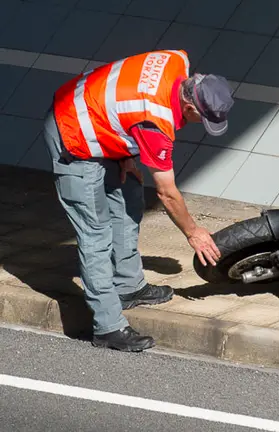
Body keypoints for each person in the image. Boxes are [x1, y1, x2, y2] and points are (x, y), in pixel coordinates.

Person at [42, 49, 235, 352]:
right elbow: (167, 193)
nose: (201, 123)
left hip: (97, 117)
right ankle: (108, 327)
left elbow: (126, 100)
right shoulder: (156, 121)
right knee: (96, 234)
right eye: (203, 118)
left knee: (130, 197)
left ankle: (128, 286)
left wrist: (125, 152)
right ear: (189, 106)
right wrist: (193, 232)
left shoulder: (178, 60)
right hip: (74, 135)